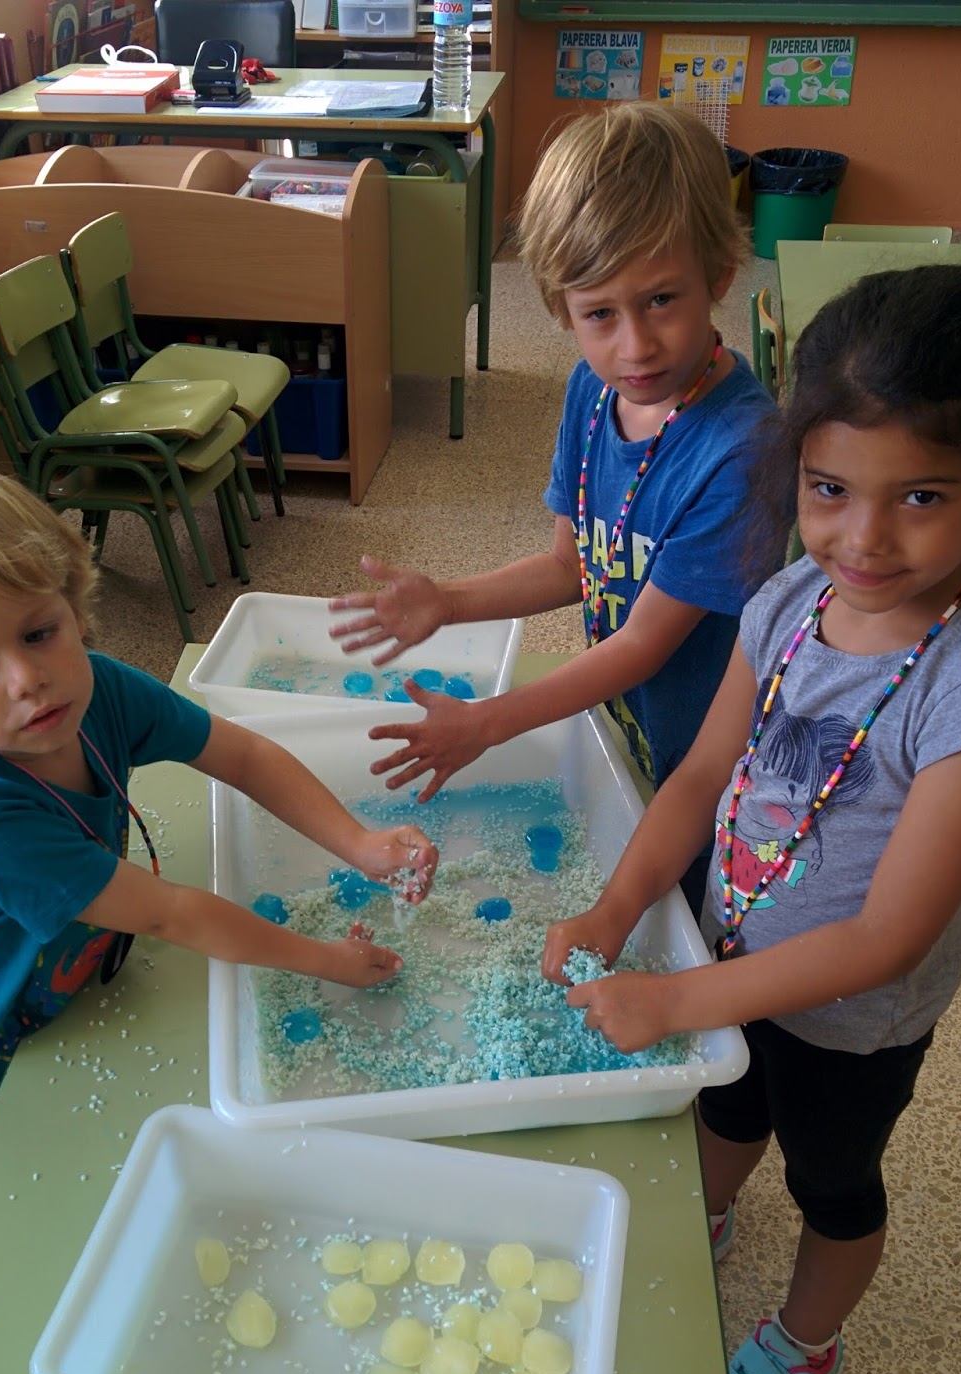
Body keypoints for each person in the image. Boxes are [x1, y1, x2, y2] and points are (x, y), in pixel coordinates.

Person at [541, 263, 961, 1374]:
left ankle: (805, 1345)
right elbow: (699, 777)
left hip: (852, 1022)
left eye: (920, 496)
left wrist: (675, 999)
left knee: (831, 1180)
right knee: (725, 1101)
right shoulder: (787, 599)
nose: (862, 537)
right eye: (828, 489)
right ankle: (703, 1208)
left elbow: (884, 939)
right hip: (729, 946)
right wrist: (615, 907)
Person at [0, 460, 438, 1231]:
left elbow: (242, 754)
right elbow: (171, 914)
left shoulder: (99, 689)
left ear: (73, 607)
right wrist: (328, 960)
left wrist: (359, 843)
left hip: (69, 993)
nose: (27, 679)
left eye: (38, 633)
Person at [329, 101, 781, 912]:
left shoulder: (740, 450)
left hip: (709, 767)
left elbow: (643, 645)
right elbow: (571, 566)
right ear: (558, 307)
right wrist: (447, 601)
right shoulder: (591, 392)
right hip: (632, 732)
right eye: (599, 314)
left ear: (718, 275)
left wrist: (486, 723)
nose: (634, 346)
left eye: (662, 300)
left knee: (687, 916)